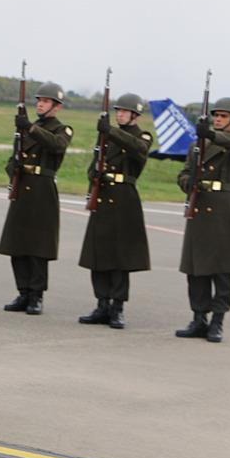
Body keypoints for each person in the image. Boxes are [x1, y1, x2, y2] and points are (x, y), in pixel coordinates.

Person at [0, 82, 73, 315]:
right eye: (39, 100)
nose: (40, 104)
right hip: (23, 187)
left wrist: (30, 128)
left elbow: (56, 145)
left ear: (56, 107)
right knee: (17, 243)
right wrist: (14, 170)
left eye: (46, 101)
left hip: (42, 189)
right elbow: (14, 158)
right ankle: (23, 292)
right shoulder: (25, 128)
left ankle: (36, 295)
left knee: (38, 246)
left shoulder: (62, 129)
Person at [78, 93, 152, 329]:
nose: (119, 114)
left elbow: (138, 149)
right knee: (99, 255)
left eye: (124, 111)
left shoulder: (142, 135)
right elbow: (94, 165)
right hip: (103, 196)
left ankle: (117, 307)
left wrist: (110, 131)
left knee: (120, 258)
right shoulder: (106, 136)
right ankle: (101, 304)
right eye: (117, 110)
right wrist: (93, 178)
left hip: (124, 199)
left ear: (134, 115)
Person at [175, 97, 230, 343]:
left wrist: (209, 133)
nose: (218, 119)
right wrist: (189, 183)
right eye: (215, 115)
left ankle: (217, 322)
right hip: (200, 208)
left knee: (221, 269)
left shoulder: (222, 140)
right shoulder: (198, 144)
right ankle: (198, 318)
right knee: (196, 267)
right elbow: (184, 172)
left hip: (224, 210)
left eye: (223, 116)